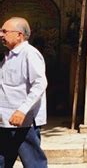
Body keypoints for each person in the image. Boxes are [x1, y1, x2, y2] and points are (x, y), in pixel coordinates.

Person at [0, 17, 48, 168]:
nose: (1, 34)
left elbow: (40, 84)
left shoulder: (30, 54)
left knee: (33, 163)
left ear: (19, 35)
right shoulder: (7, 55)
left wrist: (22, 110)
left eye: (4, 31)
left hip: (23, 122)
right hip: (4, 120)